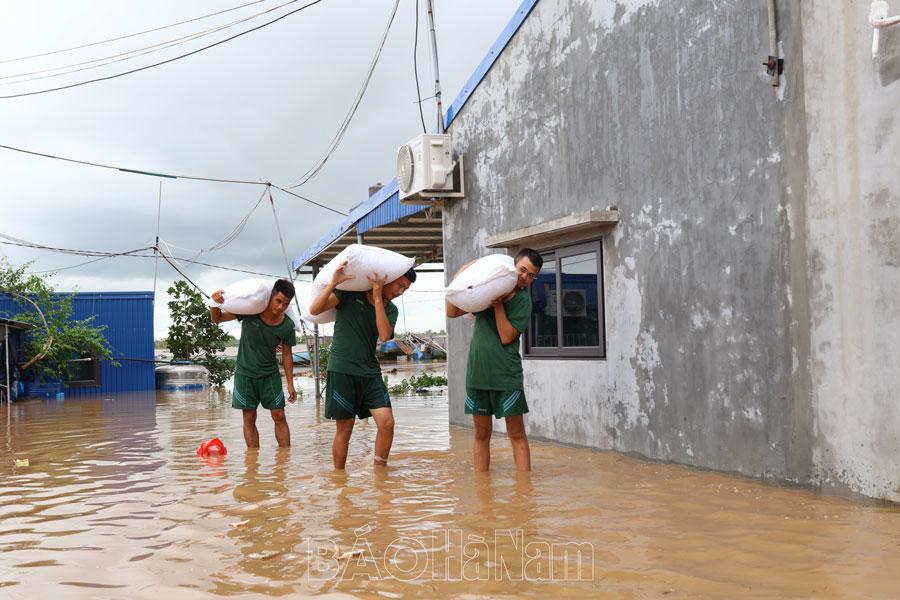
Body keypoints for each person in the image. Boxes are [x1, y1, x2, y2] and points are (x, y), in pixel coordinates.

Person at [308, 262, 416, 469]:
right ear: (389, 278)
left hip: (370, 372)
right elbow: (315, 309)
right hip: (342, 369)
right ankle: (339, 479)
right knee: (345, 429)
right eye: (400, 285)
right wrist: (333, 284)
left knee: (387, 423)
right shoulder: (349, 294)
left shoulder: (390, 310)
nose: (400, 292)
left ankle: (379, 473)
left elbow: (385, 335)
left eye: (405, 289)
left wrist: (377, 298)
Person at [446, 249, 543, 472]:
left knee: (516, 434)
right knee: (481, 435)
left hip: (506, 377)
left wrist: (498, 305)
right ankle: (483, 492)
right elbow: (451, 311)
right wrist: (462, 275)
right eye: (523, 270)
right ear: (513, 266)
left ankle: (524, 493)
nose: (525, 278)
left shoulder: (522, 302)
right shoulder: (484, 292)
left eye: (531, 276)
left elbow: (506, 336)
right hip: (478, 376)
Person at [209, 279, 298, 449]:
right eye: (278, 301)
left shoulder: (287, 325)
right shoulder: (251, 311)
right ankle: (252, 463)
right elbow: (217, 318)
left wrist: (291, 384)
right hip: (245, 375)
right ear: (270, 297)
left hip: (270, 375)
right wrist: (214, 302)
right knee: (249, 418)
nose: (280, 307)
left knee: (279, 416)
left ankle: (285, 462)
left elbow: (287, 355)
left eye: (285, 304)